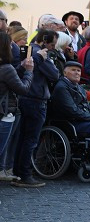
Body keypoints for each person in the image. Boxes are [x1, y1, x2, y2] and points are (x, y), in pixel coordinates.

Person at [12, 30, 61, 188]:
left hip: (26, 98)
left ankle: (19, 172)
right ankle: (24, 174)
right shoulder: (39, 54)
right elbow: (54, 75)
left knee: (23, 138)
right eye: (52, 44)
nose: (53, 48)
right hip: (35, 100)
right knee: (31, 139)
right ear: (44, 41)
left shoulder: (28, 51)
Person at [0, 31, 34, 180]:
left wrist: (19, 68)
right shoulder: (6, 68)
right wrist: (28, 72)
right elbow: (23, 88)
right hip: (4, 113)